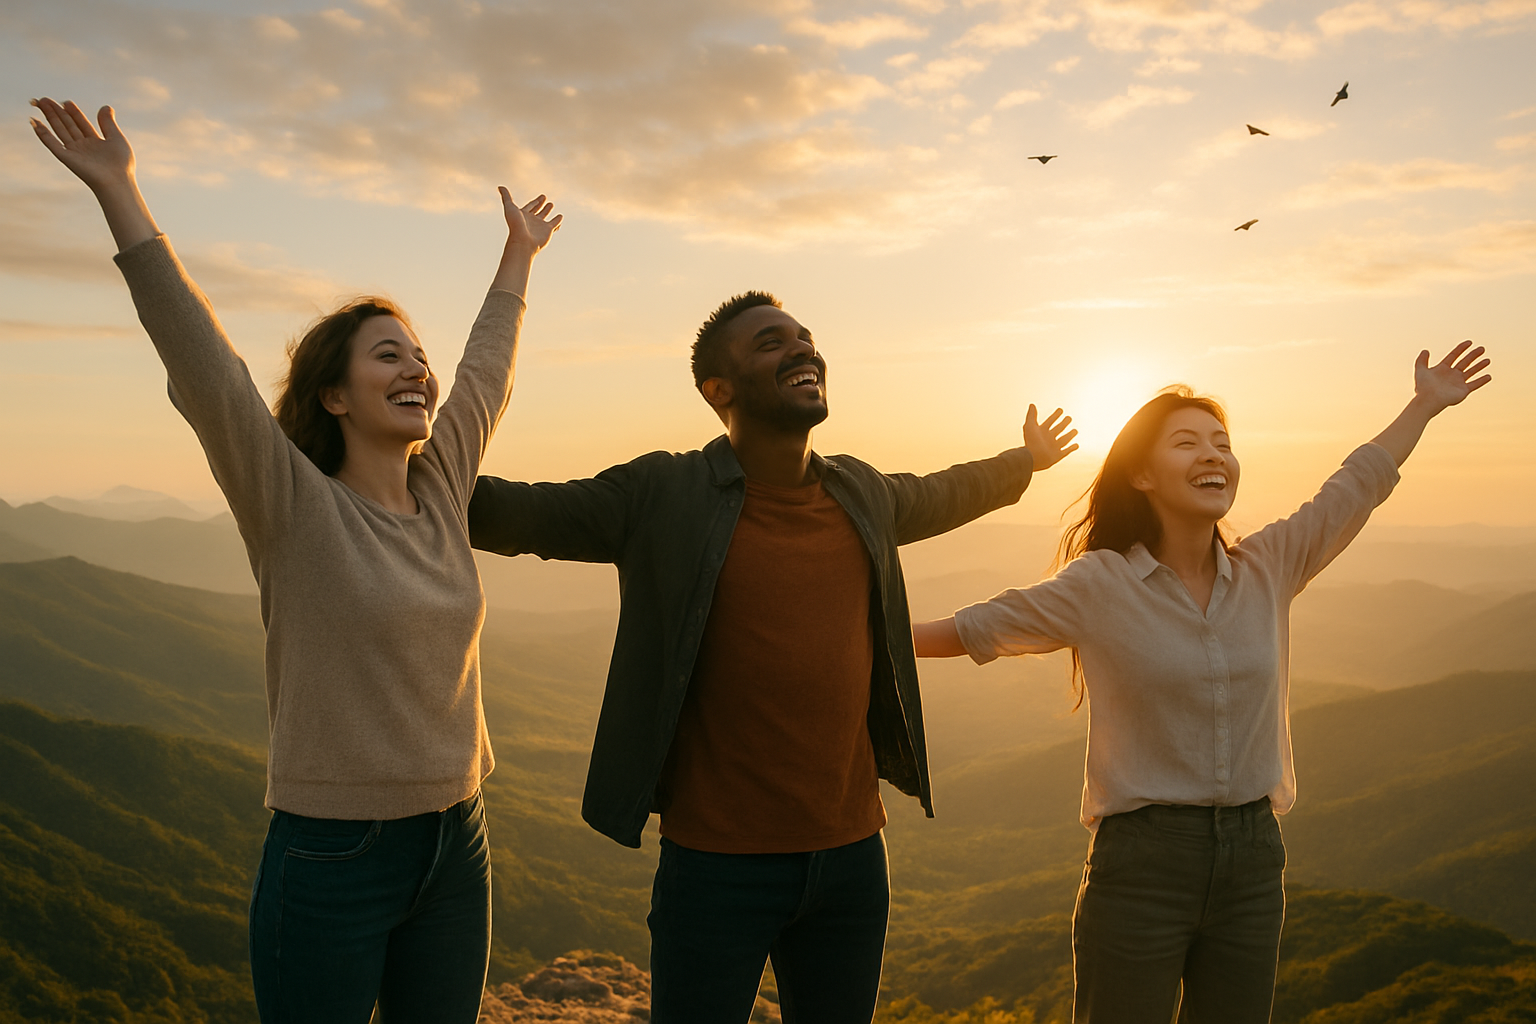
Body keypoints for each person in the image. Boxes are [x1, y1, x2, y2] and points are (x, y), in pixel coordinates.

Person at [29, 96, 562, 1023]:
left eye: (418, 357)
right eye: (388, 356)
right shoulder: (293, 507)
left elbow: (486, 373)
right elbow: (207, 370)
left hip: (458, 835)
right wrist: (122, 194)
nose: (418, 371)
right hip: (332, 852)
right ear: (336, 395)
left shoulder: (441, 492)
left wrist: (517, 257)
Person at [466, 291, 1079, 1023]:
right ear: (717, 391)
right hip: (717, 868)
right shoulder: (663, 493)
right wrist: (388, 465)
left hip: (853, 859)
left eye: (804, 336)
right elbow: (518, 511)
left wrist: (1026, 461)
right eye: (770, 343)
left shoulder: (860, 491)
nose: (800, 348)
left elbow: (946, 491)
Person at [913, 343, 1493, 1023]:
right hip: (1140, 864)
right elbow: (968, 630)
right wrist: (838, 627)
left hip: (1253, 862)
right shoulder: (1102, 585)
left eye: (1223, 443)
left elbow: (1356, 484)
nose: (1214, 454)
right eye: (1187, 443)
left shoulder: (1269, 566)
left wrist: (1423, 405)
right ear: (1141, 477)